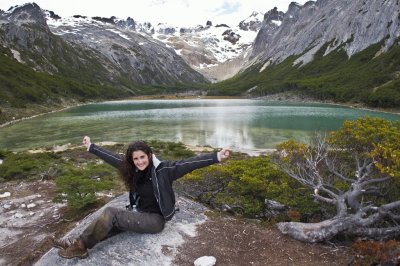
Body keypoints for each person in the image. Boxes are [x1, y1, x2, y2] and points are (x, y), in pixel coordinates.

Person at [52, 136, 231, 259]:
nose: (139, 161)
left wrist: (216, 156)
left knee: (111, 214)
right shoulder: (133, 170)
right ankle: (76, 243)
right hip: (139, 213)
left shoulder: (164, 170)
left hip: (155, 220)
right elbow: (113, 158)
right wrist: (91, 147)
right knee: (107, 224)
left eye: (142, 157)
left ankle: (80, 247)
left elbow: (189, 163)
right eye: (135, 158)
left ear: (150, 156)